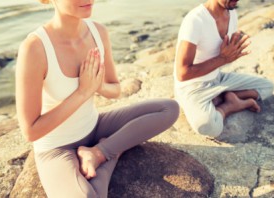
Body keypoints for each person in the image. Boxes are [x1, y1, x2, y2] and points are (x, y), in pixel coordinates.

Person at [15, 0, 179, 197]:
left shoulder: (98, 32)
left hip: (95, 126)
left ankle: (100, 153)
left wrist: (98, 86)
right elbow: (31, 132)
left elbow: (115, 89)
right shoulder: (35, 48)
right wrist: (83, 92)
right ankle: (113, 153)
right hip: (57, 147)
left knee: (169, 109)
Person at [174, 0, 274, 137]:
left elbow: (224, 52)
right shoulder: (195, 21)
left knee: (267, 87)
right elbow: (182, 73)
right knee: (207, 128)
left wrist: (235, 48)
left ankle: (220, 98)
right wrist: (224, 59)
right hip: (193, 86)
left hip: (217, 78)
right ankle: (228, 106)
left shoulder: (231, 13)